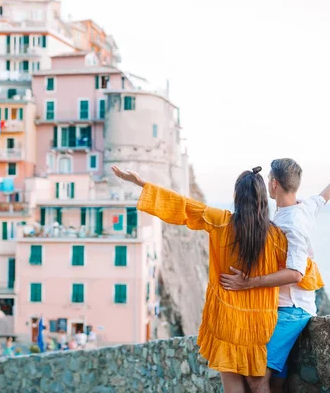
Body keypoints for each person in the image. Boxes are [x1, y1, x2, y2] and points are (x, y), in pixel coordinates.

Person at [112, 165, 287, 393]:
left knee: (233, 383)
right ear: (264, 199)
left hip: (226, 318)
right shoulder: (275, 237)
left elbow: (184, 206)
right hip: (259, 322)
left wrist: (141, 183)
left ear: (237, 196)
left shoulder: (222, 221)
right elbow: (298, 271)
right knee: (259, 384)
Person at [220, 159, 330, 392]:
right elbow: (324, 197)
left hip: (291, 310)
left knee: (256, 377)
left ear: (274, 184)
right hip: (278, 308)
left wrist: (249, 283)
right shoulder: (302, 207)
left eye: (268, 180)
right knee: (275, 383)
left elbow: (295, 273)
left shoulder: (292, 223)